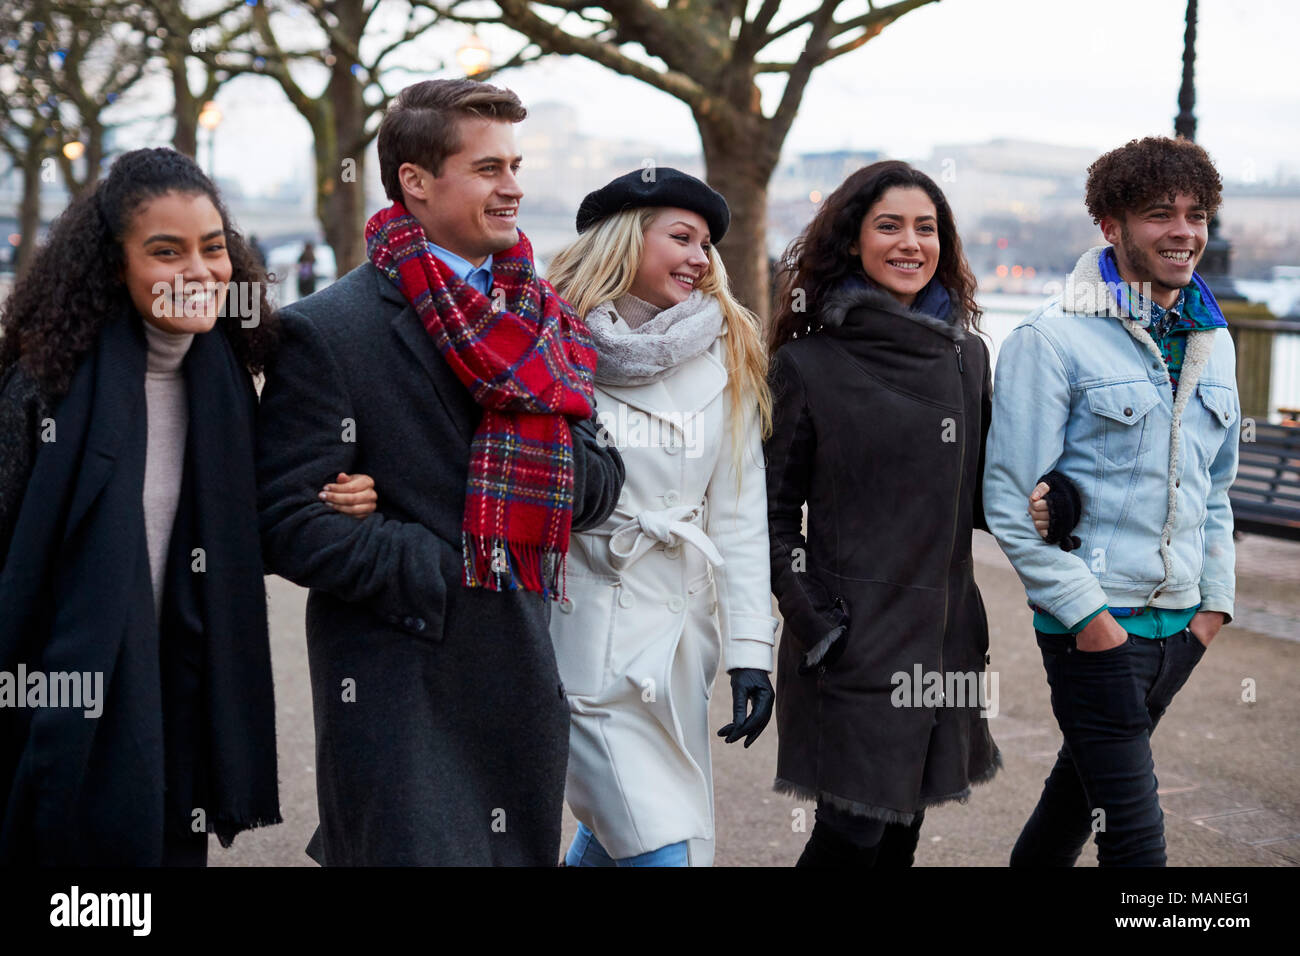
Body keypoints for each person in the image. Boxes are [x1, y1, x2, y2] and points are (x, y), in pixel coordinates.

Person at [255, 79, 625, 866]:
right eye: (488, 168)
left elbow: (601, 477)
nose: (514, 187)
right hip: (400, 684)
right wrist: (439, 568)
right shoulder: (328, 330)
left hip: (522, 677)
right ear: (415, 182)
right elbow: (285, 520)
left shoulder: (543, 317)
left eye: (515, 166)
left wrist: (550, 479)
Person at [765, 160, 1075, 867]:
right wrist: (818, 625)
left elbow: (985, 496)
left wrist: (1053, 494)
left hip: (944, 640)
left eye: (926, 228)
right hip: (850, 645)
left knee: (900, 834)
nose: (911, 243)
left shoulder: (967, 357)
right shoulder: (809, 365)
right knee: (850, 836)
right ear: (851, 241)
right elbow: (772, 518)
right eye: (889, 226)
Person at [0, 149, 303, 864]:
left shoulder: (229, 383)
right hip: (56, 709)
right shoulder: (40, 393)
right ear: (114, 266)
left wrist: (340, 496)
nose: (199, 272)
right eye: (165, 252)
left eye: (213, 248)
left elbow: (255, 524)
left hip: (179, 701)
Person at [984, 136, 1239, 867]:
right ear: (1110, 225)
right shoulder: (1052, 338)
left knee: (1074, 803)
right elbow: (1008, 497)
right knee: (1135, 841)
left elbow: (1215, 492)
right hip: (1094, 628)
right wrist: (1089, 619)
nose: (1183, 232)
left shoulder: (1212, 342)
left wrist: (1213, 608)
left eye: (1197, 215)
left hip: (1181, 629)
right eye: (1160, 214)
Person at [545, 169, 777, 867]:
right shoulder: (548, 341)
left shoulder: (726, 350)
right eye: (681, 237)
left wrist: (748, 654)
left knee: (630, 832)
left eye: (705, 244)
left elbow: (738, 516)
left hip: (677, 643)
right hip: (580, 634)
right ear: (623, 241)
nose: (699, 259)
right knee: (663, 849)